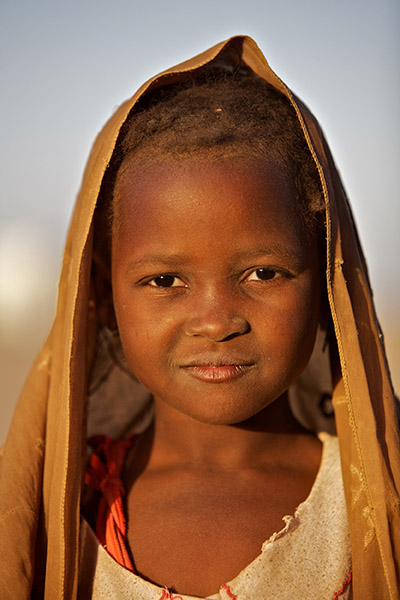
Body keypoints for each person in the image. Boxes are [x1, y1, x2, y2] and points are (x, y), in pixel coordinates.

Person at [0, 36, 398, 600]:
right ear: (100, 297)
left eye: (264, 273)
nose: (215, 322)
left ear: (326, 289)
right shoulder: (49, 507)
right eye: (164, 281)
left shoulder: (377, 506)